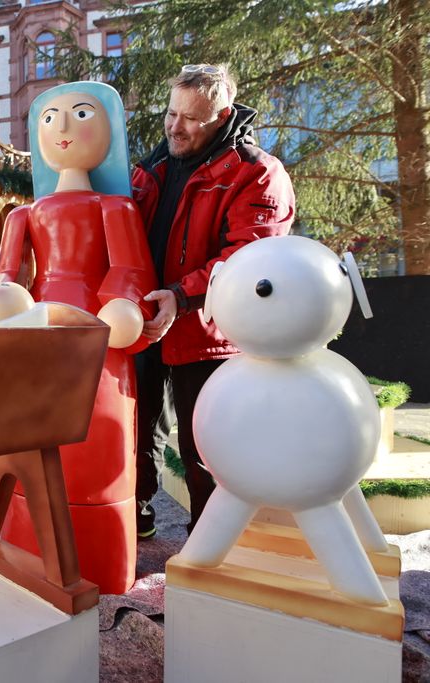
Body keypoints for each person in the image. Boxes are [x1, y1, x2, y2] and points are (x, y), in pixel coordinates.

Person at [0, 81, 157, 595]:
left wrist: (123, 301)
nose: (62, 128)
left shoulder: (116, 208)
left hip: (95, 331)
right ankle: (27, 541)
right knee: (33, 437)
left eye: (79, 114)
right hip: (39, 330)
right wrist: (3, 295)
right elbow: (7, 273)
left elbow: (131, 266)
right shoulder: (23, 214)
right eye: (49, 118)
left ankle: (99, 555)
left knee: (97, 438)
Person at [132, 64, 295, 538]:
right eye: (171, 112)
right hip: (144, 321)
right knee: (138, 431)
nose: (175, 126)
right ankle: (138, 522)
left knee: (207, 444)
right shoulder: (152, 167)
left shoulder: (257, 173)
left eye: (190, 119)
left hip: (207, 329)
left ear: (222, 115)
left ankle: (212, 541)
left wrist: (181, 297)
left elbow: (248, 258)